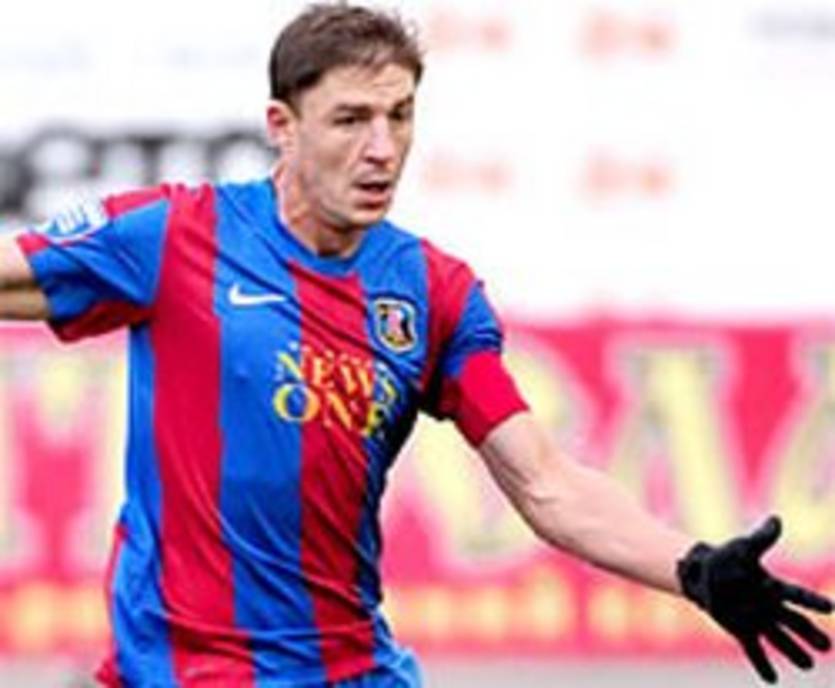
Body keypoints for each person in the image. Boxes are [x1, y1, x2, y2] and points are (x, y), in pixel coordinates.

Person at [0, 3, 831, 686]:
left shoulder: (433, 294)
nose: (382, 149)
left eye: (399, 117)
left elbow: (543, 483)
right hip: (182, 673)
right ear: (282, 126)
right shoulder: (177, 236)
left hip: (353, 672)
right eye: (350, 120)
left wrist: (692, 568)